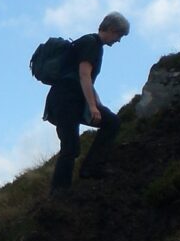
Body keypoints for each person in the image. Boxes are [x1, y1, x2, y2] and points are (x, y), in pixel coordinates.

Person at [44, 11, 129, 194]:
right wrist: (92, 106)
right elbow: (83, 75)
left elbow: (85, 78)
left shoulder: (89, 43)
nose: (118, 40)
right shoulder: (92, 44)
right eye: (119, 35)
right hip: (65, 100)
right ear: (112, 29)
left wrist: (97, 103)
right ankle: (59, 192)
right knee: (70, 146)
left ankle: (91, 168)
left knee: (111, 122)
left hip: (69, 99)